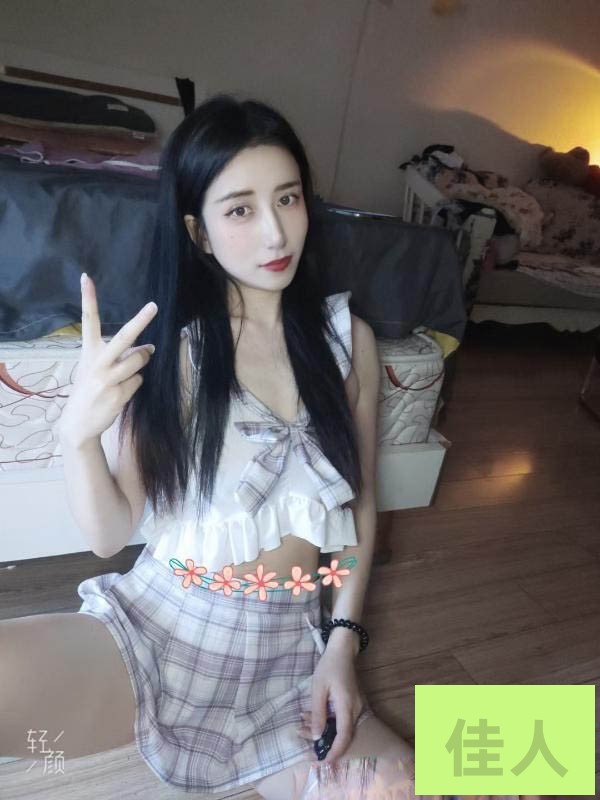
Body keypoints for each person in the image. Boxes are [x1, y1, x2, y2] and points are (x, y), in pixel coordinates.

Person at [0, 93, 526, 800]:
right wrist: (78, 436)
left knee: (499, 765)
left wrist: (342, 646)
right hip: (167, 626)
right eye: (240, 209)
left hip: (288, 661)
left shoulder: (349, 342)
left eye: (288, 198)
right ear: (198, 231)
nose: (276, 233)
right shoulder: (175, 352)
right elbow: (108, 535)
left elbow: (361, 508)